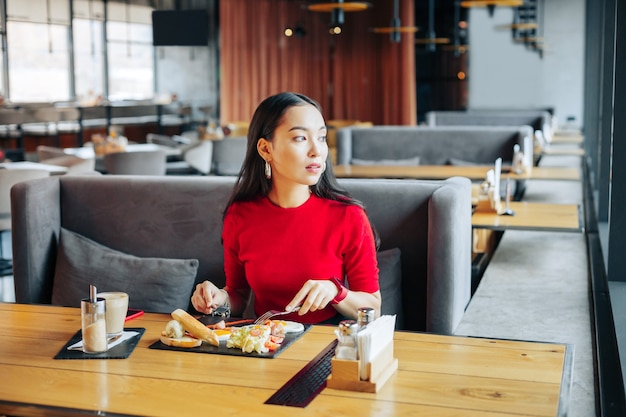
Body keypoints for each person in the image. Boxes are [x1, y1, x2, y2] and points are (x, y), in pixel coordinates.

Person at [191, 92, 381, 324]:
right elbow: (239, 296)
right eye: (301, 138)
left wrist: (336, 291)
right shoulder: (240, 215)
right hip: (262, 343)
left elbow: (373, 308)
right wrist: (219, 299)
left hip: (324, 345)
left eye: (321, 138)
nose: (317, 151)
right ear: (265, 149)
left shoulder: (348, 216)